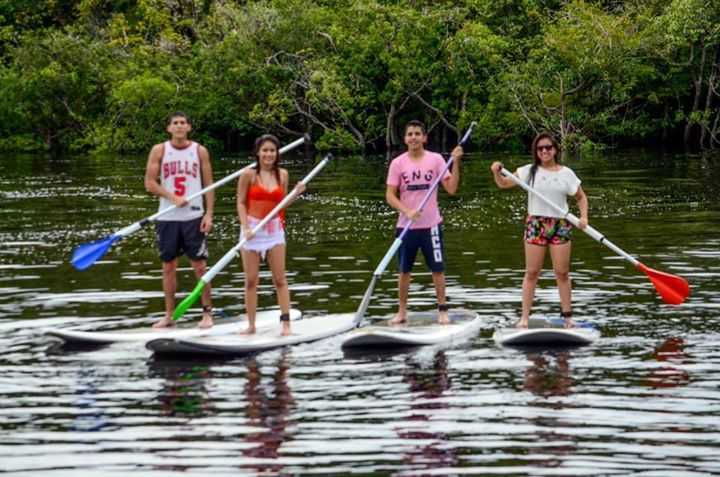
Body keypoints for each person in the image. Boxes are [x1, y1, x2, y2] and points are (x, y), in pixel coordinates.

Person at [490, 132, 588, 328]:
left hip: (560, 224)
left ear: (555, 150)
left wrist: (584, 216)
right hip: (536, 224)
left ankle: (568, 317)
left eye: (548, 147)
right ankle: (524, 318)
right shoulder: (528, 171)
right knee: (532, 272)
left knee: (562, 273)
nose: (544, 151)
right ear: (536, 151)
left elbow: (581, 197)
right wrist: (496, 172)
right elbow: (504, 184)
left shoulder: (566, 173)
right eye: (540, 148)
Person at [386, 120, 464, 325]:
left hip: (431, 227)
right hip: (406, 226)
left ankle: (442, 310)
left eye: (417, 134)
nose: (413, 137)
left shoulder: (437, 160)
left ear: (424, 138)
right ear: (405, 139)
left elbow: (452, 189)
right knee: (404, 271)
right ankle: (402, 311)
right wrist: (407, 211)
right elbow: (390, 196)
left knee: (437, 269)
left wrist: (456, 162)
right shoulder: (398, 163)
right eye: (410, 134)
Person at [144, 112, 215, 329]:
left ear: (189, 127)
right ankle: (169, 316)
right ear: (169, 128)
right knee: (168, 267)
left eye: (183, 123)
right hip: (167, 217)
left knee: (201, 267)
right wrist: (172, 197)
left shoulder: (199, 151)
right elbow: (149, 183)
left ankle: (207, 314)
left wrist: (209, 214)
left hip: (193, 217)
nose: (179, 126)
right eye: (175, 123)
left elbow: (209, 184)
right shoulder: (160, 150)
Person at [236, 134, 305, 336]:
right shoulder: (248, 175)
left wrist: (296, 193)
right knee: (251, 280)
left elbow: (282, 205)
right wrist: (245, 227)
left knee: (280, 279)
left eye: (272, 151)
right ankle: (251, 325)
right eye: (265, 150)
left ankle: (286, 324)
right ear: (257, 153)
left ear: (277, 154)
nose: (268, 154)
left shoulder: (282, 174)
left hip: (274, 230)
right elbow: (240, 202)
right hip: (252, 229)